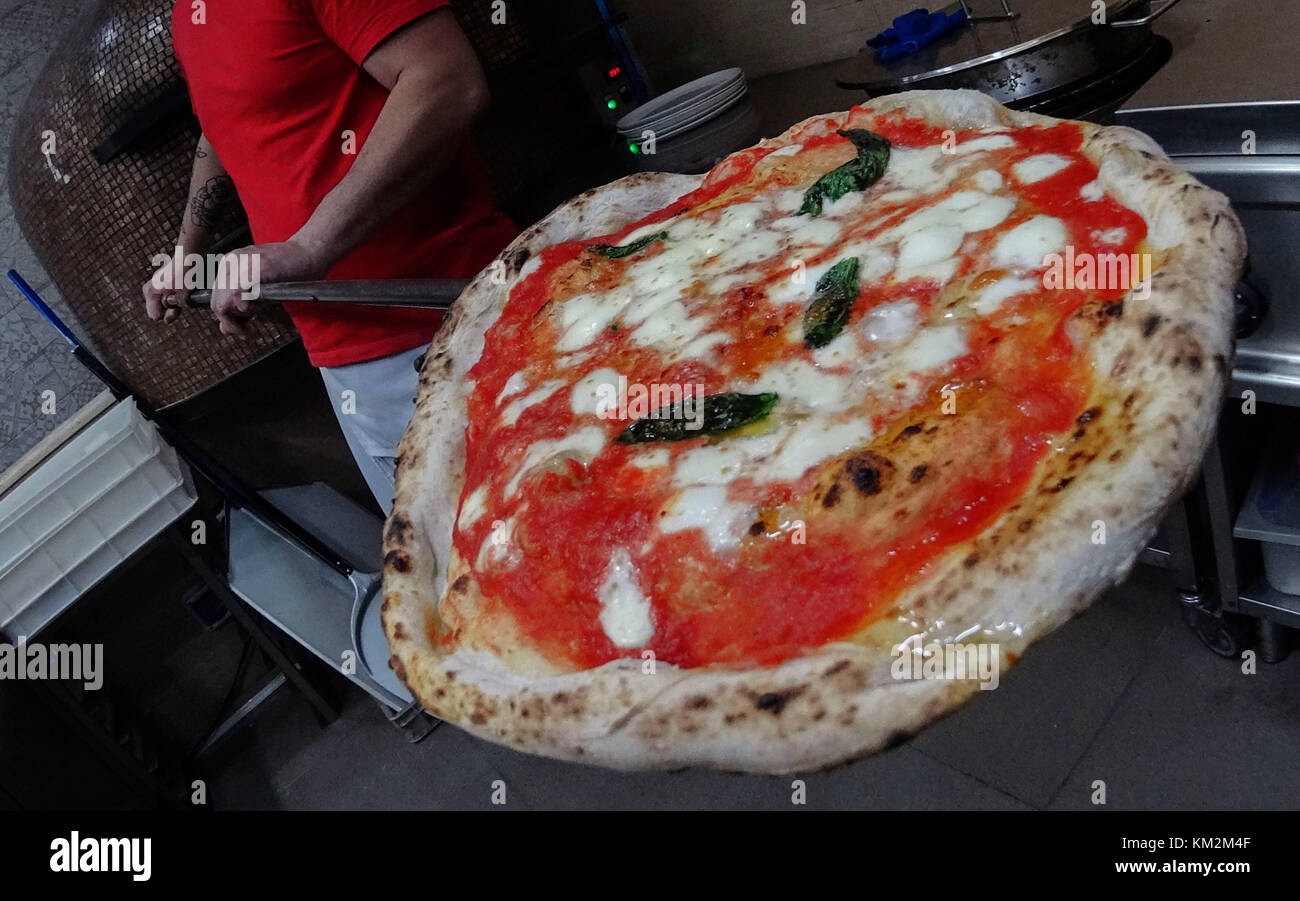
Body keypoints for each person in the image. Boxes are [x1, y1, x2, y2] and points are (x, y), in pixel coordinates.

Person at [143, 0, 517, 513]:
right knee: (445, 571)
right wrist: (188, 253)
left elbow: (446, 79)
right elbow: (223, 126)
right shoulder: (191, 15)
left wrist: (310, 246)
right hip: (341, 348)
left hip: (451, 317)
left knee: (534, 544)